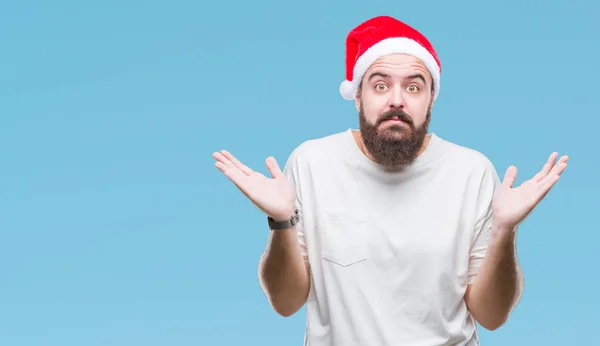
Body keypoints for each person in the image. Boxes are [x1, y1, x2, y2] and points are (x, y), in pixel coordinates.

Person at [213, 15, 568, 346]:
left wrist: (505, 230)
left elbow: (491, 316)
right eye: (380, 85)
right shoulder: (312, 163)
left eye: (414, 88)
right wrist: (281, 221)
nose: (396, 100)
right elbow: (287, 303)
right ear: (357, 95)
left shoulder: (471, 172)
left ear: (431, 100)